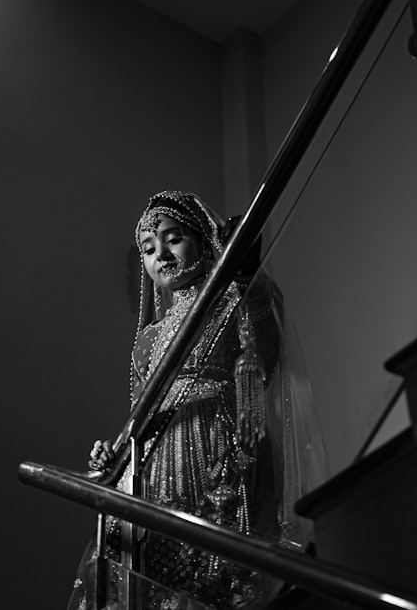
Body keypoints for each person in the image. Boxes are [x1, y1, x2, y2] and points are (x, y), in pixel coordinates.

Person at [70, 191, 326, 610]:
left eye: (173, 238)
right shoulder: (148, 338)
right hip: (155, 460)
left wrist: (246, 277)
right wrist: (113, 454)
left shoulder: (234, 301)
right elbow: (139, 412)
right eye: (149, 249)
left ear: (203, 240)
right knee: (153, 572)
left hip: (219, 444)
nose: (161, 255)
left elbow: (264, 339)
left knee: (216, 568)